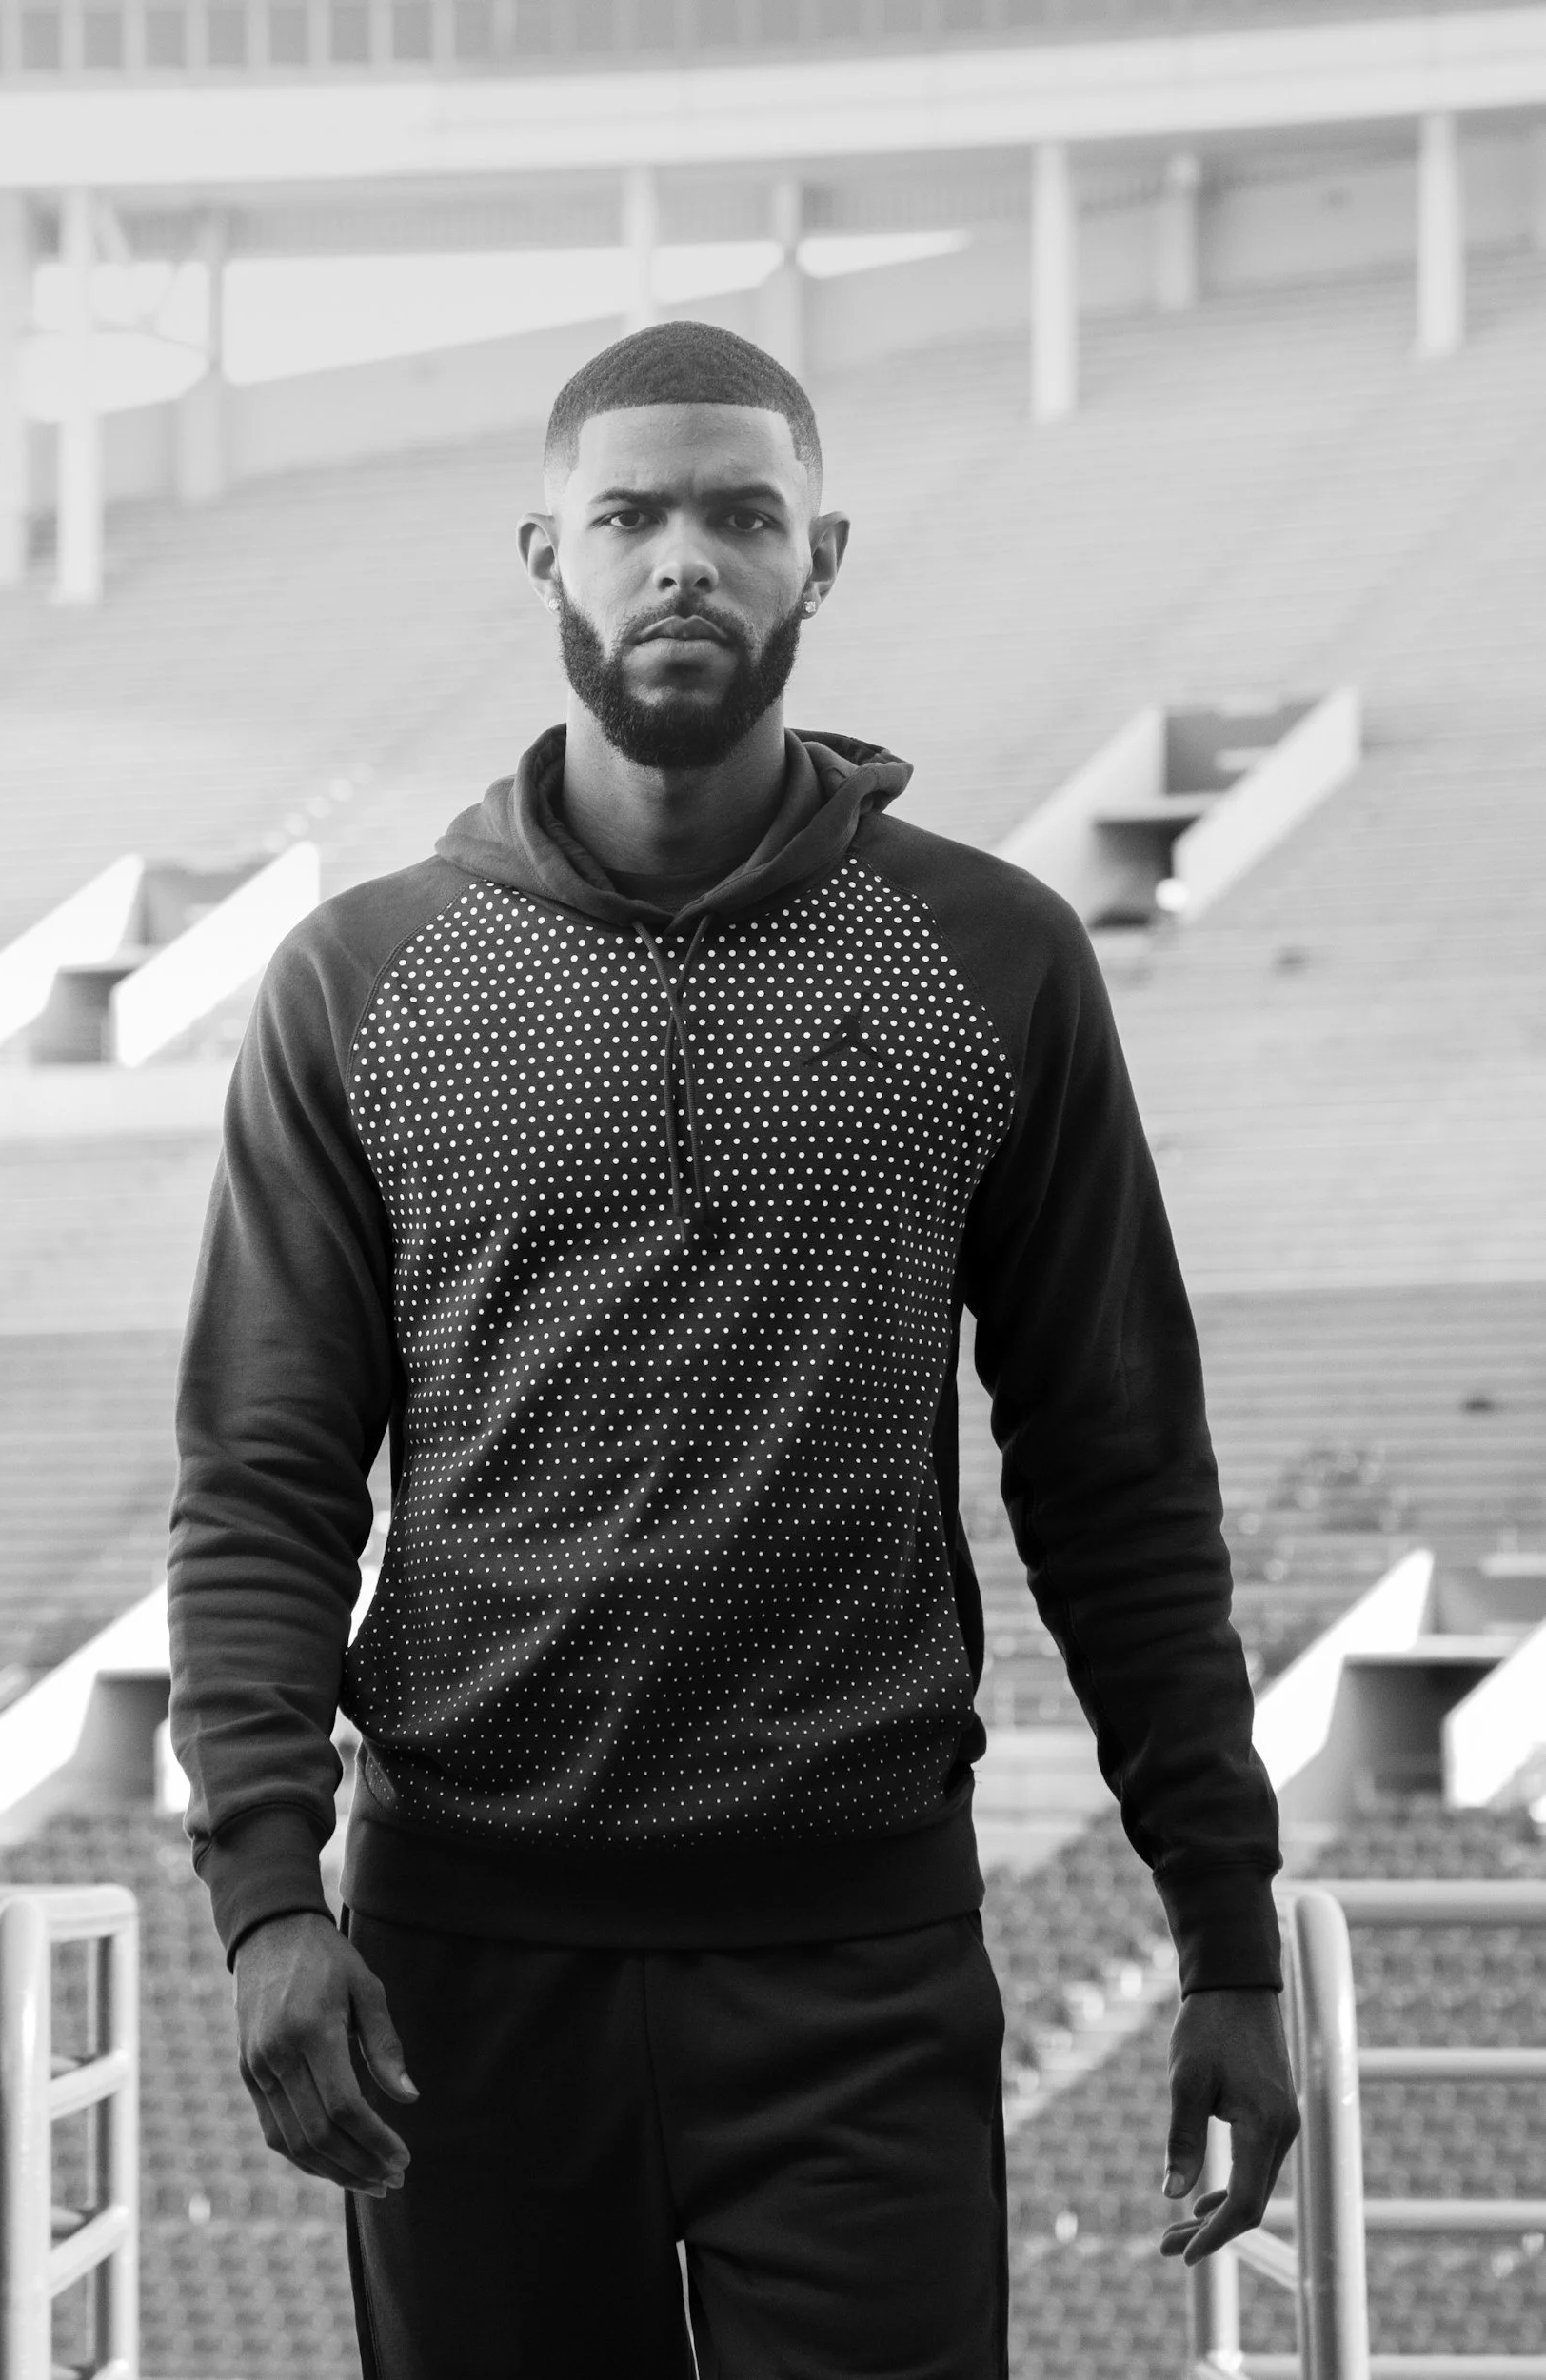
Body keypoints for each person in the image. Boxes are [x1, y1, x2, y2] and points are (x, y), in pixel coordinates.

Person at [168, 319, 1298, 2380]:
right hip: (458, 1963)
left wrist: (1223, 1926)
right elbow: (263, 1474)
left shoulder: (993, 956)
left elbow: (1116, 1471)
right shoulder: (362, 977)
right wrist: (267, 1889)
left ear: (820, 556)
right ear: (548, 554)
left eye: (739, 515)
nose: (682, 557)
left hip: (859, 1953)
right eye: (628, 515)